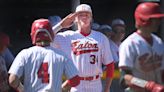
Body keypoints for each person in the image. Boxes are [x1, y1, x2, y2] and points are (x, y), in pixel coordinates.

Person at [52, 4, 114, 92]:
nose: (84, 17)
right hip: (77, 84)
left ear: (91, 18)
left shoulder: (101, 37)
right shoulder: (67, 37)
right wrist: (61, 25)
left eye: (87, 15)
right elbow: (45, 38)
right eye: (80, 15)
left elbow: (110, 64)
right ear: (75, 19)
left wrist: (107, 88)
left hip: (95, 82)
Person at [8, 19, 80, 92]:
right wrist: (63, 88)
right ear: (51, 34)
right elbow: (75, 80)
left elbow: (12, 80)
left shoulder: (24, 54)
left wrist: (22, 90)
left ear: (33, 35)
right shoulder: (61, 55)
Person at [119, 2, 164, 92]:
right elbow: (125, 78)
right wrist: (148, 85)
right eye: (155, 19)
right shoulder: (130, 44)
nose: (159, 22)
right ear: (144, 20)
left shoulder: (158, 41)